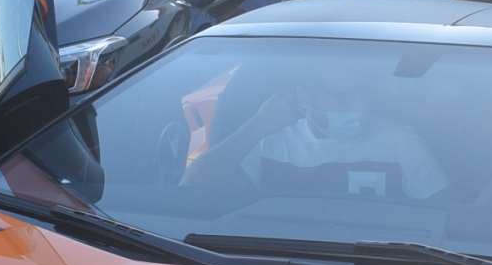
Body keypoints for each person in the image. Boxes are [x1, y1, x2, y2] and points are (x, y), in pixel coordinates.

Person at [184, 62, 449, 199]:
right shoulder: (269, 141)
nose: (361, 106)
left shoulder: (400, 141)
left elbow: (445, 217)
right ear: (305, 98)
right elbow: (191, 191)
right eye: (345, 98)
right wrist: (254, 128)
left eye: (363, 94)